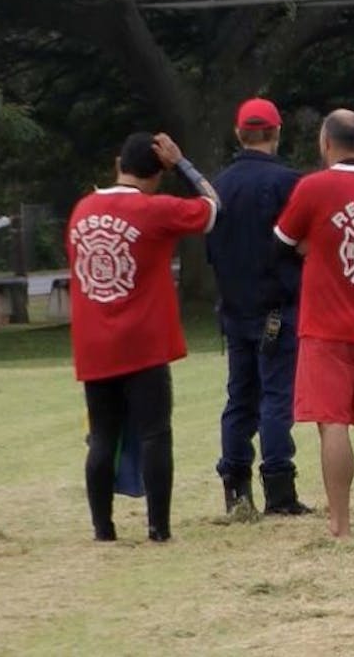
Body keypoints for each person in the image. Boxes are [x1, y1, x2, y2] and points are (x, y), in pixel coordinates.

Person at [68, 132, 221, 542]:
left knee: (102, 436)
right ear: (157, 175)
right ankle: (158, 527)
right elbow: (212, 208)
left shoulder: (82, 210)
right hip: (144, 343)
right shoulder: (155, 210)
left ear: (119, 163)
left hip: (94, 343)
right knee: (155, 433)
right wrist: (183, 164)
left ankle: (103, 527)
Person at [273, 109, 354, 538]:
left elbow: (283, 242)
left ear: (326, 142)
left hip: (327, 323)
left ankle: (340, 523)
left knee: (333, 422)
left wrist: (312, 244)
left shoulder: (315, 187)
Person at [205, 98, 310, 517]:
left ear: (239, 134)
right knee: (276, 397)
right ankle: (280, 488)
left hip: (233, 307)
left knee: (240, 397)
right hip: (276, 307)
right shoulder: (289, 184)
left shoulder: (218, 187)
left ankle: (236, 488)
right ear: (276, 132)